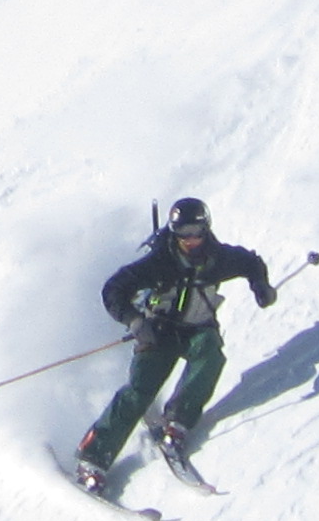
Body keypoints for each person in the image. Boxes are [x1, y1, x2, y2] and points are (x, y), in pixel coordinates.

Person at [75, 196, 272, 487]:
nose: (190, 241)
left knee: (211, 355)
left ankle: (178, 421)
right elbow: (114, 289)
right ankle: (93, 458)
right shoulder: (160, 261)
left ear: (206, 230)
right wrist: (135, 320)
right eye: (183, 235)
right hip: (159, 331)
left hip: (198, 329)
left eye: (196, 233)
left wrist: (260, 286)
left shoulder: (218, 259)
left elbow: (251, 263)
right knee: (140, 390)